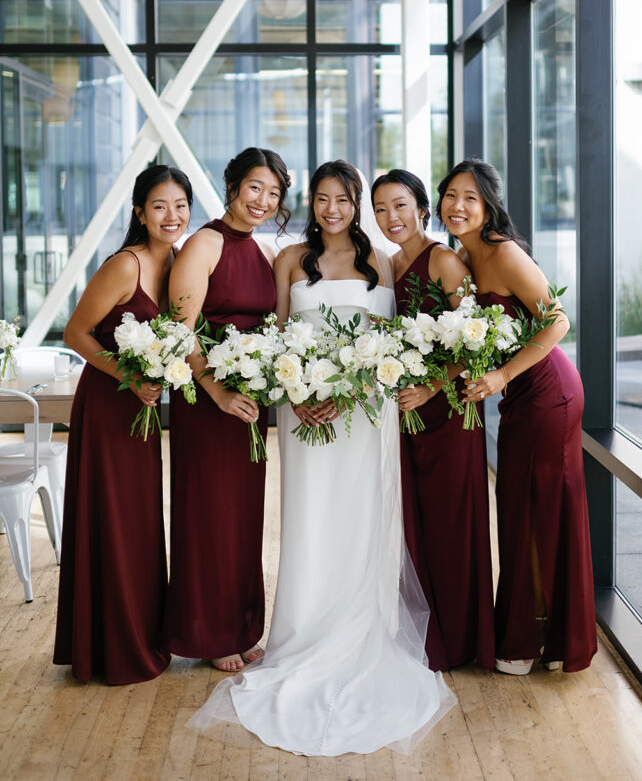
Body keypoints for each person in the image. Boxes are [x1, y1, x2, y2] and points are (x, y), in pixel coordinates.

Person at [188, 160, 455, 756]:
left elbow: (391, 340)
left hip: (364, 413)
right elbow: (281, 336)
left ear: (356, 204)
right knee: (309, 519)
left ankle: (359, 630)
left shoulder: (382, 262)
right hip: (303, 408)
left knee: (359, 520)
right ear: (312, 203)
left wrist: (358, 386)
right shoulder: (288, 260)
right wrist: (299, 394)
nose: (332, 208)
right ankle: (300, 632)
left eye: (343, 199)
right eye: (322, 198)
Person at [436, 158, 597, 674]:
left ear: (488, 206)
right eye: (451, 195)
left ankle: (532, 641)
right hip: (520, 398)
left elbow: (557, 320)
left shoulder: (504, 255)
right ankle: (543, 632)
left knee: (535, 507)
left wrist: (502, 376)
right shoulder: (464, 255)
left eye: (470, 198)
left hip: (548, 393)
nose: (458, 206)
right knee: (525, 506)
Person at [54, 164, 192, 684]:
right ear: (139, 212)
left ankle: (138, 636)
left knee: (137, 522)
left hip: (143, 409)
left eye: (180, 206)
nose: (171, 215)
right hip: (110, 405)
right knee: (112, 520)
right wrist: (129, 376)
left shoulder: (179, 263)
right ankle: (110, 648)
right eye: (159, 206)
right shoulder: (125, 265)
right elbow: (75, 332)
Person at [163, 147, 290, 673]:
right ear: (233, 186)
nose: (263, 200)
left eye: (274, 193)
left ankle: (241, 625)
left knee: (243, 517)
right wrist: (215, 391)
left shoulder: (260, 250)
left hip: (249, 405)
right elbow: (180, 328)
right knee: (209, 515)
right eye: (255, 187)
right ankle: (209, 631)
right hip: (207, 403)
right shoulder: (205, 243)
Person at [372, 168, 495, 672]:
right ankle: (429, 635)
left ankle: (463, 639)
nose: (391, 218)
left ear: (423, 208)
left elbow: (477, 338)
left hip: (451, 410)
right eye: (380, 209)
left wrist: (432, 386)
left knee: (453, 522)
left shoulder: (443, 260)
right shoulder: (386, 265)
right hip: (409, 414)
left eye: (400, 205)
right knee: (417, 523)